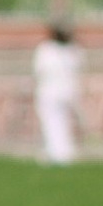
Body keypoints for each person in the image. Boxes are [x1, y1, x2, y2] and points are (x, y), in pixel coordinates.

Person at [31, 22, 81, 167]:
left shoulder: (46, 50)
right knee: (63, 122)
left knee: (51, 123)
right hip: (67, 91)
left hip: (50, 92)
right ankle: (64, 151)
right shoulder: (73, 51)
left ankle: (56, 152)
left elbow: (39, 70)